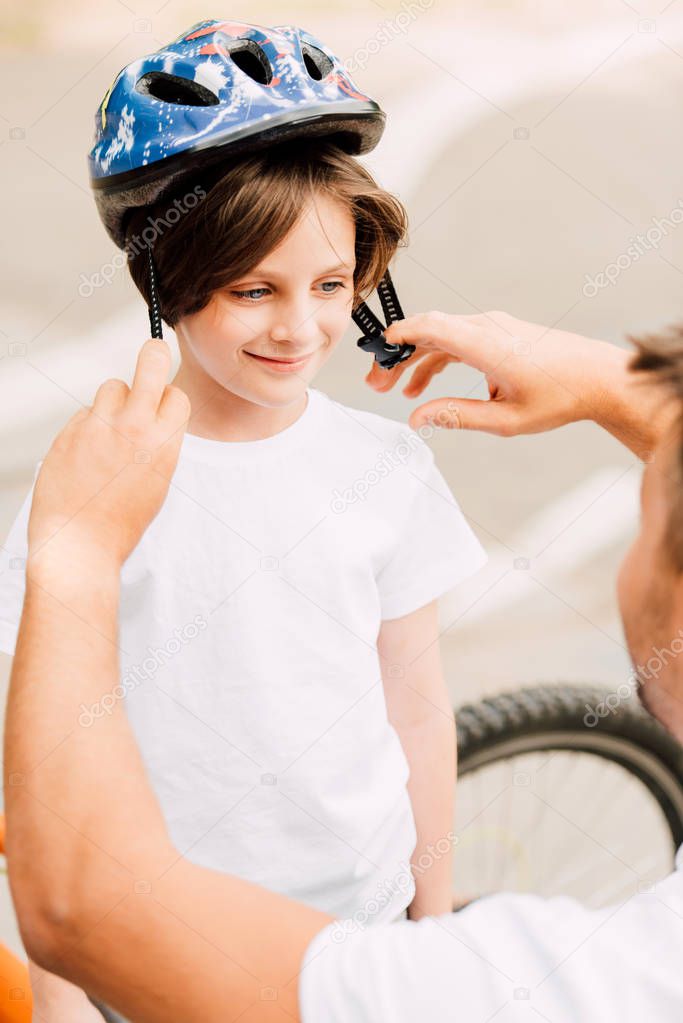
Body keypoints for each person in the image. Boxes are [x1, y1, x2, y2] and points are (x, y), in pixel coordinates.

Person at [0, 19, 487, 1022]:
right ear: (166, 281)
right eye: (250, 289)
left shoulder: (384, 466)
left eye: (327, 285)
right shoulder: (97, 476)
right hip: (159, 942)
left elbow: (416, 706)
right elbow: (36, 752)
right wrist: (61, 985)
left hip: (356, 928)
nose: (298, 327)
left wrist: (430, 922)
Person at [4, 308, 683, 1022]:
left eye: (645, 505)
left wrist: (77, 553)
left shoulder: (566, 986)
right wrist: (621, 388)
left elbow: (79, 914)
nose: (296, 326)